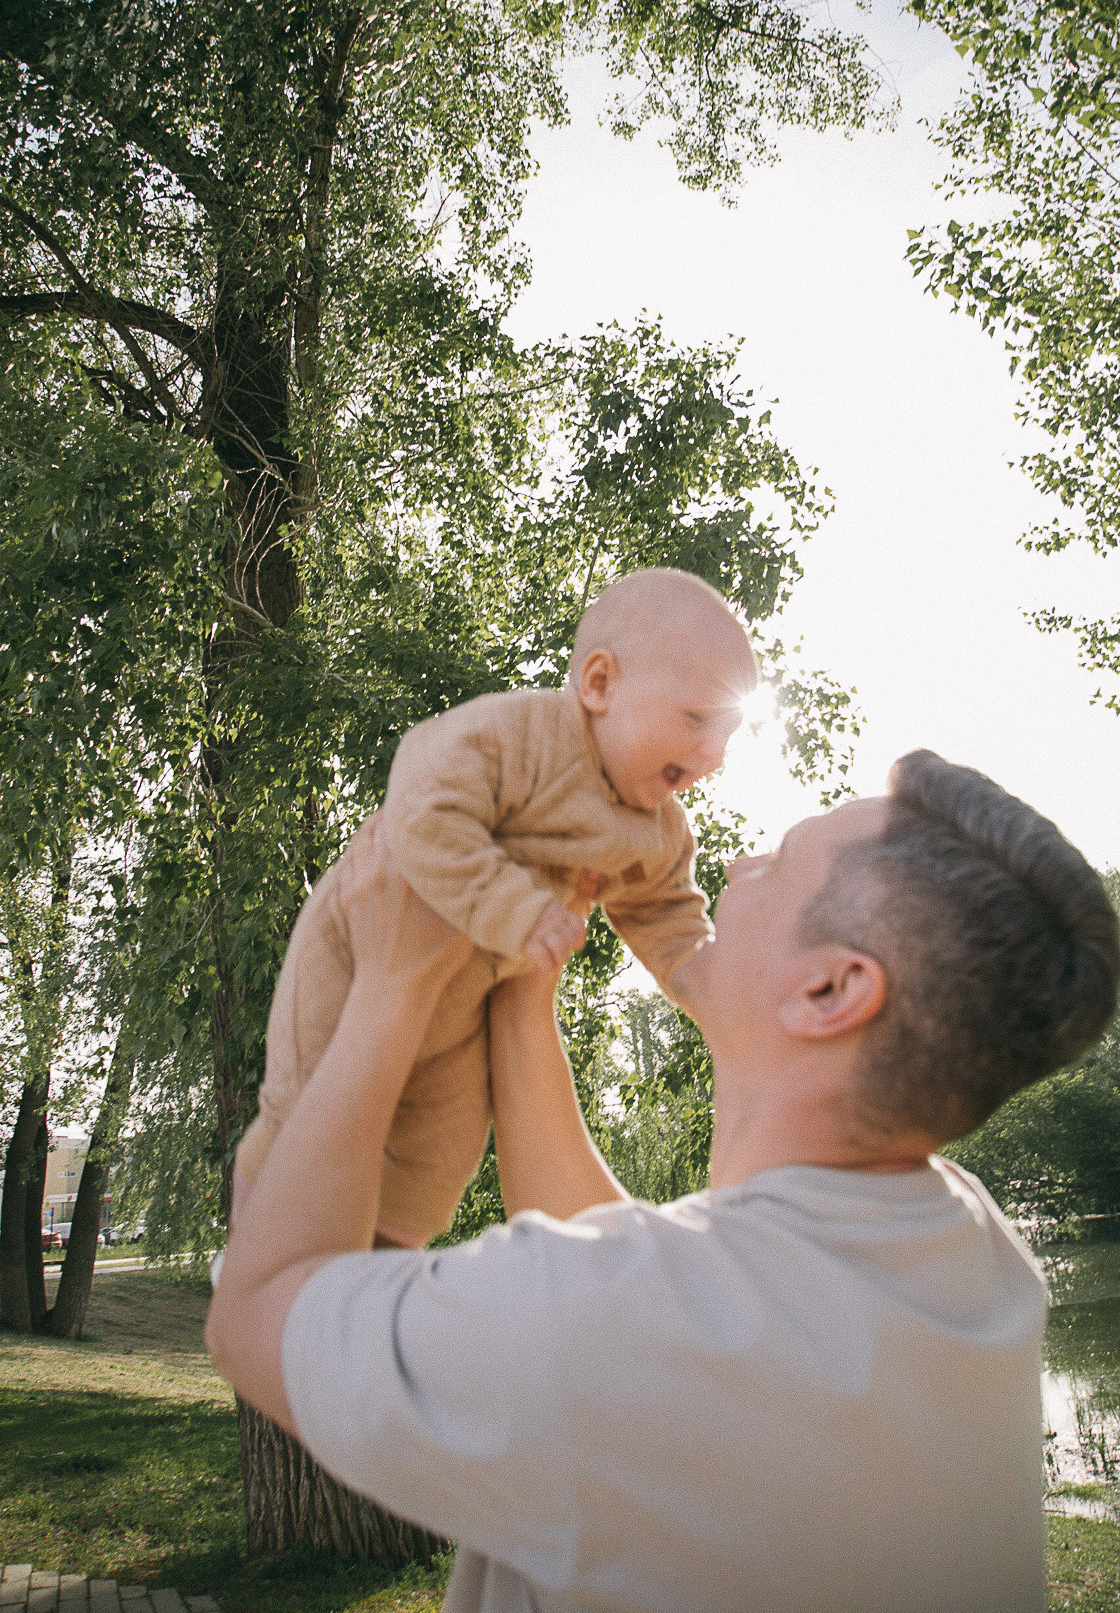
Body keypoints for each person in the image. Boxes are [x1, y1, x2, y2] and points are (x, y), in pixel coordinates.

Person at [206, 749, 1120, 1613]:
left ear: (830, 992)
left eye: (780, 862)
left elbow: (257, 1308)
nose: (735, 867)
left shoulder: (629, 1326)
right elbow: (633, 1283)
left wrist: (391, 988)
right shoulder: (975, 1250)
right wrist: (525, 993)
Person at [234, 567, 756, 1245]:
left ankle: (377, 1270)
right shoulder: (519, 736)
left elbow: (673, 922)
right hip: (362, 951)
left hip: (467, 1007)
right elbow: (423, 807)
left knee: (440, 1156)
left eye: (728, 734)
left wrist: (720, 994)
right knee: (306, 1109)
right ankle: (254, 1246)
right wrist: (520, 911)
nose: (713, 754)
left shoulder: (658, 830)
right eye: (696, 720)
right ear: (599, 685)